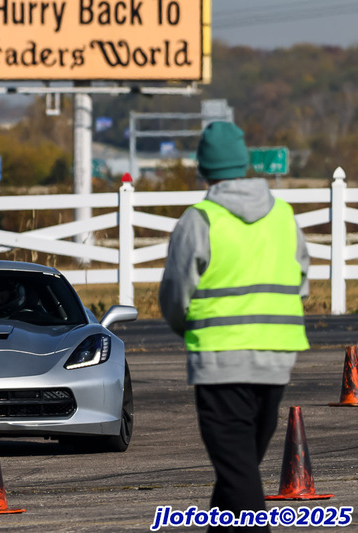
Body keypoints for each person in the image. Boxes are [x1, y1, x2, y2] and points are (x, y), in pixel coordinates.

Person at [158, 121, 310, 532]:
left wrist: (189, 329)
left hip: (221, 362)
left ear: (202, 168)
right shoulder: (283, 216)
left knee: (240, 474)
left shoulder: (200, 220)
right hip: (277, 358)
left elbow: (175, 294)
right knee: (239, 469)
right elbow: (302, 282)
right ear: (243, 163)